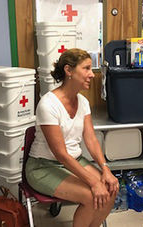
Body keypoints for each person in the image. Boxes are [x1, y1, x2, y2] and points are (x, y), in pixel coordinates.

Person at [26, 48, 119, 227]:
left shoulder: (83, 102)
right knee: (91, 196)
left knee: (111, 189)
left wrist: (105, 168)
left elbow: (91, 139)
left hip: (74, 160)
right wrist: (93, 181)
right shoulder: (48, 104)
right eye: (86, 69)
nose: (92, 74)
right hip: (42, 166)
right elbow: (60, 154)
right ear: (69, 71)